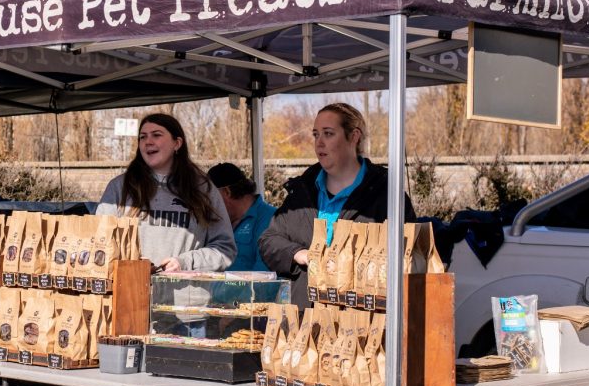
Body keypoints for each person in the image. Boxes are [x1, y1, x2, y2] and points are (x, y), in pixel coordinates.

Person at [259, 102, 416, 307]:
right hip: (306, 320)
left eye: (328, 134)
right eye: (316, 134)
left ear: (354, 136)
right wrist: (298, 254)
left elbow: (408, 253)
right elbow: (268, 240)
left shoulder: (385, 193)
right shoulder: (302, 190)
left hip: (362, 322)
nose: (319, 143)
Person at [97, 113, 235, 272]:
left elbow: (225, 249)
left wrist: (184, 263)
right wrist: (130, 266)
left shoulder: (203, 188)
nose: (148, 142)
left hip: (187, 294)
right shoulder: (119, 187)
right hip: (132, 293)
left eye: (156, 135)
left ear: (177, 143)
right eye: (143, 137)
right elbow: (99, 242)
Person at [207, 162, 275, 272]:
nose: (208, 204)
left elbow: (263, 277)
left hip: (248, 288)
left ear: (226, 192)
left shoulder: (269, 218)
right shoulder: (218, 221)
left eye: (210, 196)